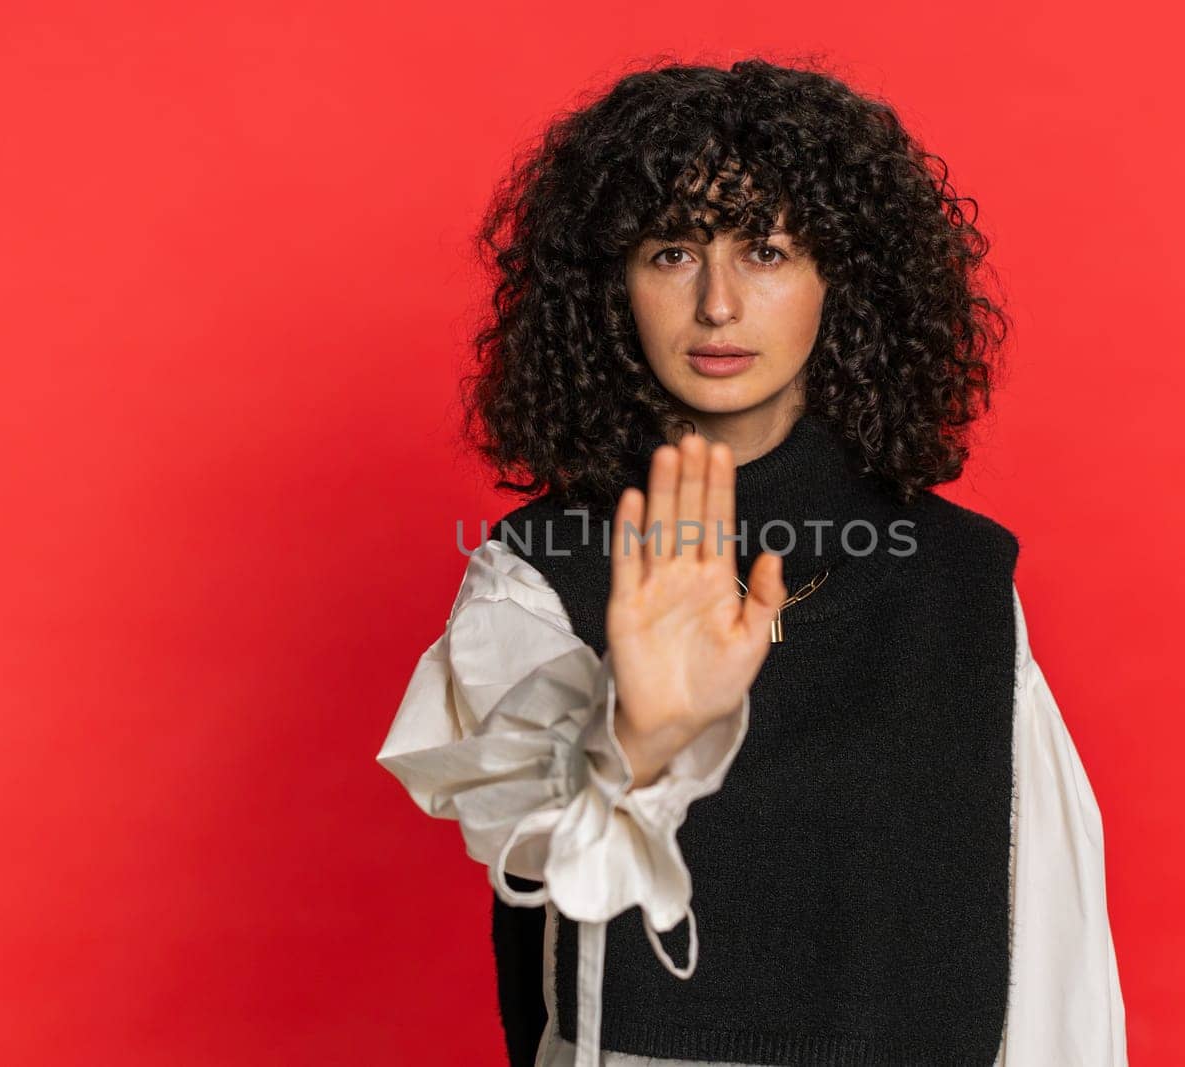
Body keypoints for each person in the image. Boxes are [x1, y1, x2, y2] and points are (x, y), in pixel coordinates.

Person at [377, 58, 1126, 1067]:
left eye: (766, 250)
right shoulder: (541, 567)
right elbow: (526, 832)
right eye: (673, 251)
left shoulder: (958, 575)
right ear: (611, 289)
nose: (718, 304)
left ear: (841, 281)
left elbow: (1051, 941)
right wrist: (638, 739)